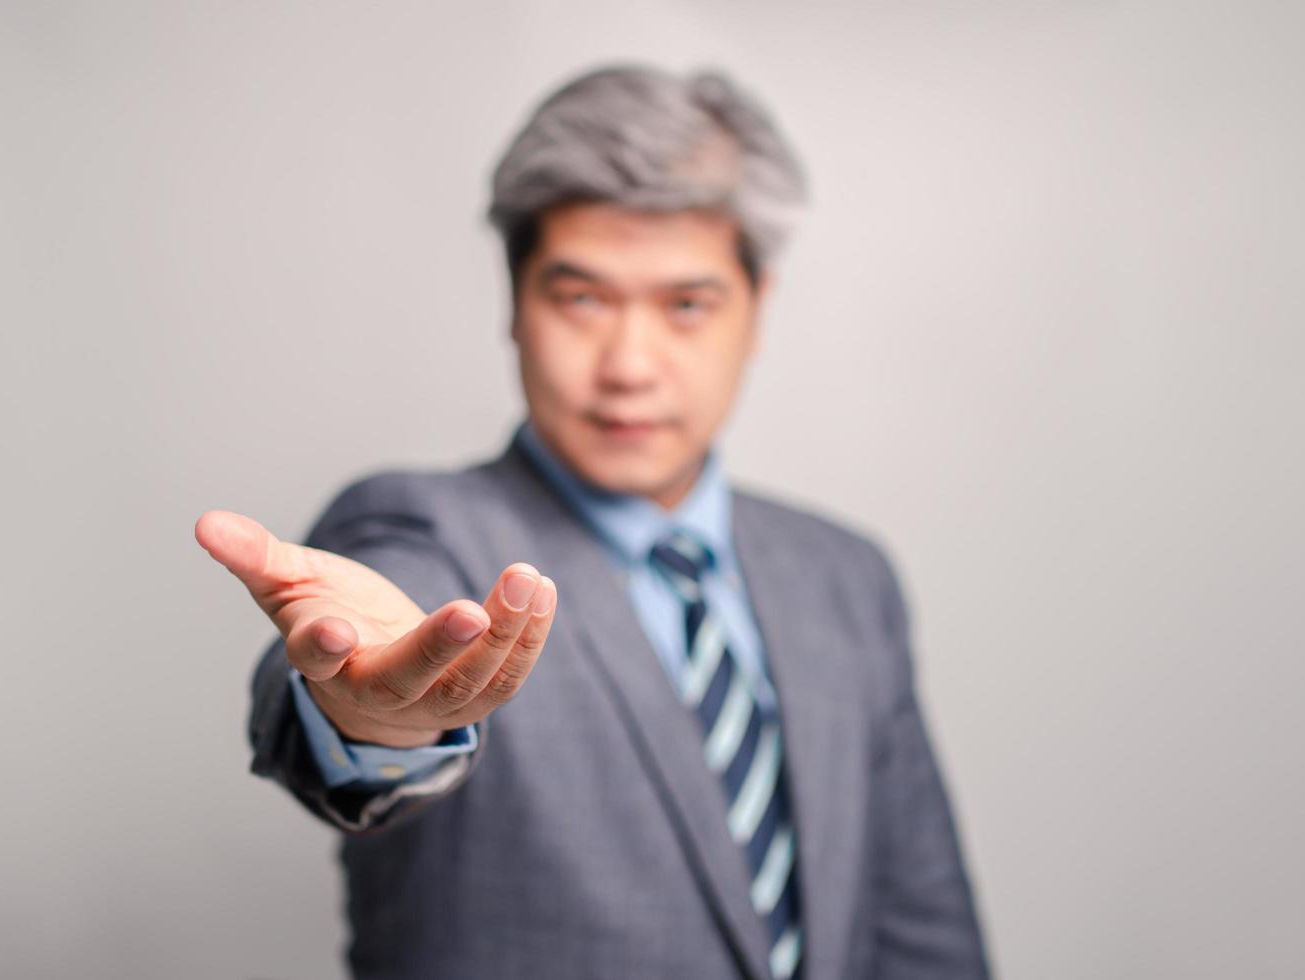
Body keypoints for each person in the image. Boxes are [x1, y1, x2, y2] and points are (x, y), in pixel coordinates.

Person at [195, 63, 989, 980]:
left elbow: (922, 929)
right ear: (515, 305)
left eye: (687, 306)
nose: (629, 365)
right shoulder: (425, 529)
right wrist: (376, 716)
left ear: (757, 310)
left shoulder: (847, 578)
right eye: (581, 299)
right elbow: (359, 671)